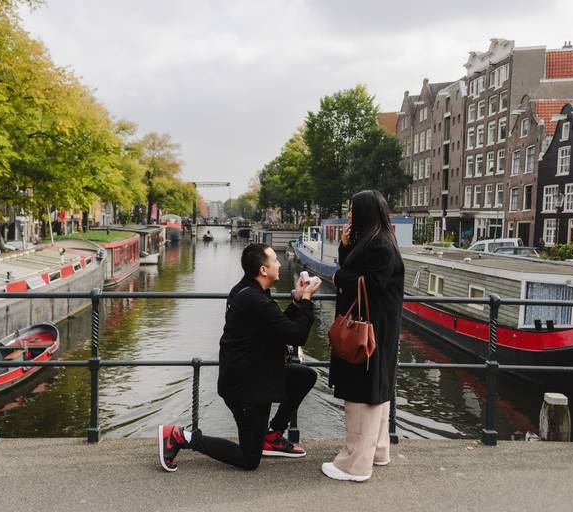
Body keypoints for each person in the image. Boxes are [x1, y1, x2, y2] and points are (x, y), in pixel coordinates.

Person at [158, 243, 321, 472]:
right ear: (263, 270)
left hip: (254, 373)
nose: (280, 263)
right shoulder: (254, 299)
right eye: (275, 260)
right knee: (249, 459)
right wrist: (306, 301)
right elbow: (297, 336)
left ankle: (272, 435)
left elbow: (276, 326)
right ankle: (180, 437)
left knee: (304, 376)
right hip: (247, 388)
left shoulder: (250, 291)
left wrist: (295, 302)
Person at [322, 190, 405, 482]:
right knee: (378, 392)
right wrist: (345, 248)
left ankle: (354, 464)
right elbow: (359, 271)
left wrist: (336, 277)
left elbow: (369, 283)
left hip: (367, 332)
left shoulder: (379, 246)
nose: (349, 216)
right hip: (379, 330)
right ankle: (378, 450)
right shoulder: (378, 241)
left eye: (353, 211)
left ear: (366, 213)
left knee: (361, 393)